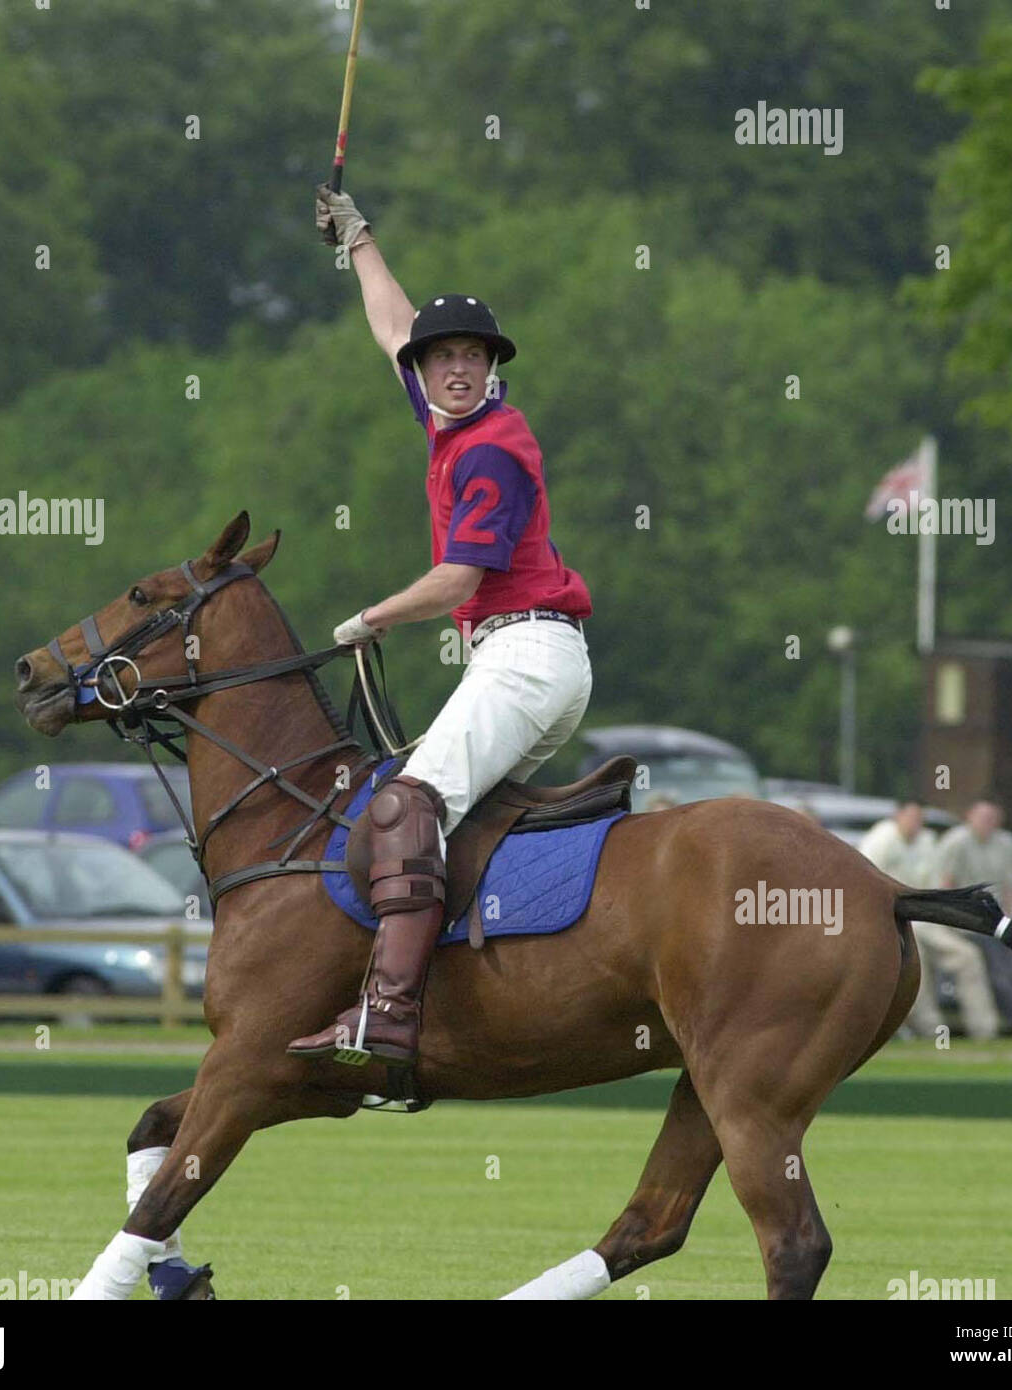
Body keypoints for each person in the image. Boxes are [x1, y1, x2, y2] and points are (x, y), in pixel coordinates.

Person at [287, 185, 594, 1068]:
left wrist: (371, 617)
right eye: (441, 357)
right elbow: (392, 326)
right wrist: (358, 239)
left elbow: (462, 576)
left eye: (471, 356)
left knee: (405, 812)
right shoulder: (447, 420)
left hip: (528, 653)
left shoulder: (492, 447)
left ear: (492, 368)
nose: (454, 368)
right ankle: (470, 1005)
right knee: (448, 828)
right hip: (522, 657)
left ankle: (385, 1016)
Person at [859, 800, 998, 1041]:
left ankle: (985, 1030)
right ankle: (931, 1030)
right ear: (898, 816)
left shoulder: (927, 841)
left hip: (926, 920)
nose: (915, 823)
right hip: (891, 922)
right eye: (911, 817)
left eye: (919, 818)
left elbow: (936, 886)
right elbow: (866, 887)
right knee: (916, 962)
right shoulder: (880, 840)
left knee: (968, 958)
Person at [935, 798, 1012, 1037]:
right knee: (998, 968)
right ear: (969, 816)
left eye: (992, 818)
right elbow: (946, 886)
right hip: (966, 922)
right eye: (983, 817)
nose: (988, 823)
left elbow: (1008, 888)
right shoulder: (956, 843)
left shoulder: (1006, 843)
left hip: (998, 922)